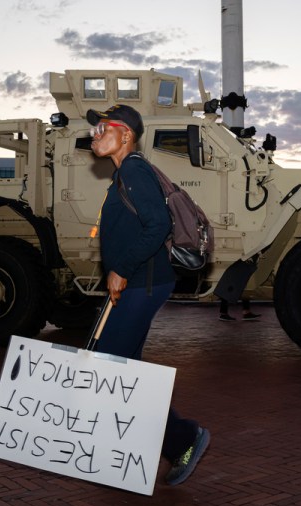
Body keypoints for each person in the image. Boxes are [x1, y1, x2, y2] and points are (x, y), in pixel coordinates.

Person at [87, 104, 210, 485]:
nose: (94, 134)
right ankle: (126, 451)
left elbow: (157, 224)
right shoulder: (126, 173)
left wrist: (121, 269)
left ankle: (183, 437)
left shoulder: (134, 170)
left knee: (110, 372)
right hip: (140, 283)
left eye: (102, 128)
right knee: (122, 374)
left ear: (125, 134)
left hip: (142, 284)